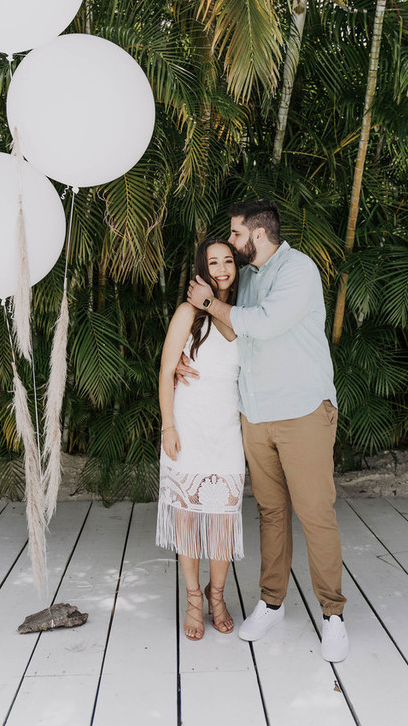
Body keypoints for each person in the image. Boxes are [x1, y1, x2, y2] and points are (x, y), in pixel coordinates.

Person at [183, 199, 349, 663]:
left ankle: (333, 615)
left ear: (257, 234)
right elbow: (229, 337)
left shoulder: (299, 270)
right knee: (272, 514)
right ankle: (272, 602)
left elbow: (265, 324)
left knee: (316, 513)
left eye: (236, 235)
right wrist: (183, 358)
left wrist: (210, 303)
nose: (232, 245)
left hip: (302, 413)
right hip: (254, 415)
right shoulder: (249, 278)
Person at [156, 238, 245, 641]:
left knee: (224, 518)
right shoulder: (186, 313)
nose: (222, 268)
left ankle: (217, 595)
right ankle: (194, 600)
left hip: (227, 430)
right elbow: (166, 370)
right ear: (201, 268)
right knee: (190, 519)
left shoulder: (244, 315)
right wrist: (168, 425)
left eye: (228, 261)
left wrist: (213, 302)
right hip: (189, 427)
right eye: (214, 262)